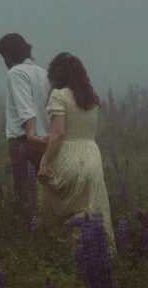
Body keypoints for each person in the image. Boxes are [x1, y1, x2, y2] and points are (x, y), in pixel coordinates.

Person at [37, 52, 115, 250]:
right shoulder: (90, 99)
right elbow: (78, 131)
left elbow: (59, 133)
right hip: (91, 158)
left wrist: (44, 162)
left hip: (67, 159)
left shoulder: (59, 95)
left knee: (57, 214)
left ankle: (63, 256)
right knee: (91, 210)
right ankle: (95, 254)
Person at [0, 33, 50, 204]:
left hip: (24, 141)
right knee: (48, 191)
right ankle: (49, 225)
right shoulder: (43, 72)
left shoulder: (16, 73)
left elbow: (25, 107)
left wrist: (30, 133)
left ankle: (26, 227)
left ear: (8, 55)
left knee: (23, 193)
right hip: (47, 140)